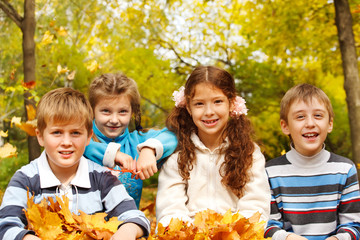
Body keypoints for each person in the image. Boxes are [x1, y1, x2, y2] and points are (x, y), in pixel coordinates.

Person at [0, 88, 150, 240]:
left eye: (75, 133)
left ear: (88, 137)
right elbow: (5, 225)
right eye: (57, 132)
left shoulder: (103, 178)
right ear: (40, 137)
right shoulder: (25, 179)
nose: (66, 142)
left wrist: (128, 231)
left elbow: (135, 216)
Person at [156, 65, 270, 227]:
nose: (209, 111)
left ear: (231, 103)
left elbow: (255, 205)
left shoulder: (249, 153)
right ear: (188, 107)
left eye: (217, 101)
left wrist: (229, 233)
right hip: (189, 236)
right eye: (199, 104)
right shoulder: (177, 155)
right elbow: (170, 209)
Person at [264, 83, 360, 240]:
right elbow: (268, 225)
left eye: (318, 115)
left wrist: (338, 238)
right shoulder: (270, 172)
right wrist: (287, 238)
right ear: (285, 126)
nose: (310, 123)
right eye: (300, 117)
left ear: (330, 124)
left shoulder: (345, 169)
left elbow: (354, 225)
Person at [84, 73, 177, 208]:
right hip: (84, 224)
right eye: (106, 111)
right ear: (92, 111)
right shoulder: (83, 138)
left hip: (128, 223)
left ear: (132, 112)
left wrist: (149, 149)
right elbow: (80, 145)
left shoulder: (137, 142)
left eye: (122, 111)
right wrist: (112, 153)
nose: (114, 120)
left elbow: (174, 135)